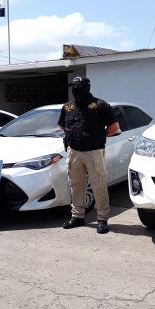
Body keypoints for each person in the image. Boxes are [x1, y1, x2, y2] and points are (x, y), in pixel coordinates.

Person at [58, 76, 120, 234]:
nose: (75, 90)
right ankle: (78, 216)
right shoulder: (67, 107)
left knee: (98, 185)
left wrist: (97, 136)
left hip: (94, 151)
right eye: (74, 87)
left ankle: (102, 218)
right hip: (74, 152)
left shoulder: (100, 105)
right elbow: (62, 126)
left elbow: (114, 127)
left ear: (87, 88)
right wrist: (74, 136)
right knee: (76, 185)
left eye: (79, 88)